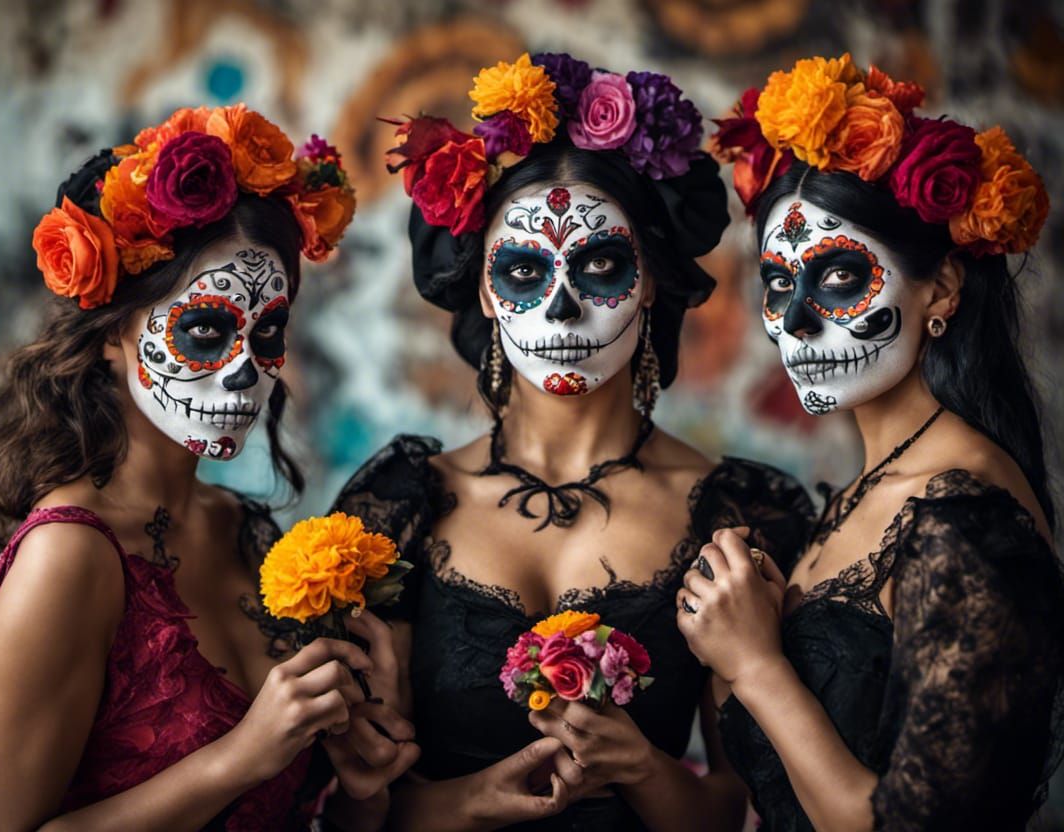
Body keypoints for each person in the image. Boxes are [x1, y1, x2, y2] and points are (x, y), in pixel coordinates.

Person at [333, 53, 814, 831]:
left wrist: (642, 768)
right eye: (523, 271)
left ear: (651, 279)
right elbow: (347, 815)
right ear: (484, 290)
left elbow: (738, 811)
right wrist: (473, 802)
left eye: (599, 265)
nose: (559, 311)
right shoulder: (396, 509)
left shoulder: (740, 517)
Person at [0, 105, 417, 831]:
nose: (246, 373)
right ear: (113, 331)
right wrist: (241, 755)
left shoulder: (248, 531)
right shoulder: (68, 557)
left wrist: (363, 792)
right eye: (206, 330)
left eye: (267, 332)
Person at [680, 54, 1064, 830]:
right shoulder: (868, 488)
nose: (797, 323)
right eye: (781, 285)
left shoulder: (967, 519)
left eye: (840, 279)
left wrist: (755, 665)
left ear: (944, 289)